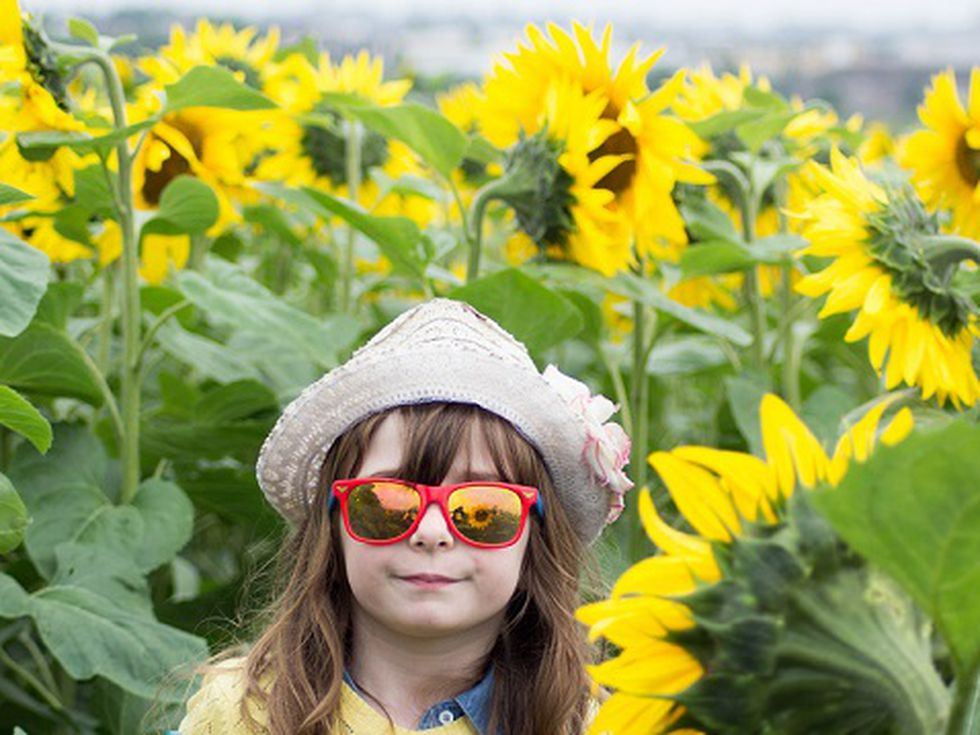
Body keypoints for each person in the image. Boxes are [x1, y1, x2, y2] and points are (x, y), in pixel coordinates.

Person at [173, 298, 633, 735]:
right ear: (333, 529)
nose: (432, 534)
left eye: (482, 510)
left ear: (536, 537)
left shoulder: (581, 724)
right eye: (388, 503)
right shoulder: (245, 712)